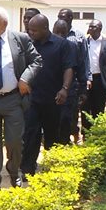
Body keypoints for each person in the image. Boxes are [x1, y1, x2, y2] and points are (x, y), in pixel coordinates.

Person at [0, 6, 41, 191]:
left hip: (13, 100)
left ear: (4, 24)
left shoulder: (20, 39)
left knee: (14, 141)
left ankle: (14, 172)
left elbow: (37, 61)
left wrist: (25, 79)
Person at [21, 14, 74, 178]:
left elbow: (68, 68)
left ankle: (52, 170)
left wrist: (65, 89)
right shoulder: (28, 45)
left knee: (52, 136)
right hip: (32, 98)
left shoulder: (62, 45)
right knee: (31, 135)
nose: (31, 33)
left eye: (34, 30)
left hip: (53, 99)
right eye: (29, 30)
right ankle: (28, 170)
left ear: (45, 28)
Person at [82, 20, 106, 126]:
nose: (90, 28)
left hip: (100, 80)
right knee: (85, 108)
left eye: (93, 27)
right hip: (86, 80)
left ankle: (97, 132)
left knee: (98, 108)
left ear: (99, 28)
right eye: (90, 26)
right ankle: (85, 134)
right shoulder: (84, 42)